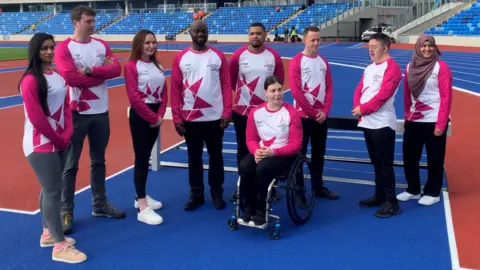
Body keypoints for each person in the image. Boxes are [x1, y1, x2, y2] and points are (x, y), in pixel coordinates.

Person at [54, 5, 125, 234]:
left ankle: (99, 204)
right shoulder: (64, 48)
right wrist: (97, 75)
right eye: (88, 21)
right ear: (76, 22)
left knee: (98, 160)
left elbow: (116, 70)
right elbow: (69, 78)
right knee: (70, 165)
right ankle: (66, 211)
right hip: (75, 113)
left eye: (93, 20)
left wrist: (89, 71)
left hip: (100, 112)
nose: (92, 24)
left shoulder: (101, 45)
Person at [19, 32, 87, 263]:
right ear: (35, 51)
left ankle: (48, 233)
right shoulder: (30, 80)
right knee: (53, 191)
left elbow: (67, 108)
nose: (48, 52)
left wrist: (67, 134)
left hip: (59, 139)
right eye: (43, 48)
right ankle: (59, 246)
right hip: (40, 143)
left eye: (51, 47)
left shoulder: (56, 76)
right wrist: (59, 139)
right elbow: (37, 119)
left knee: (49, 189)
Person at [170, 19, 232, 211]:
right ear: (190, 33)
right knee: (194, 159)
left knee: (216, 157)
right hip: (191, 119)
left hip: (214, 118)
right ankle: (196, 194)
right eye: (197, 31)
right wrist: (177, 118)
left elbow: (226, 85)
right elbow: (175, 89)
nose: (200, 34)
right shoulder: (181, 58)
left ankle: (216, 193)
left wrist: (227, 111)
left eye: (203, 31)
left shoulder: (218, 55)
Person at [228, 22, 284, 201]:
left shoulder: (273, 56)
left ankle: (268, 187)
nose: (255, 37)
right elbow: (230, 79)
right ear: (248, 35)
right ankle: (244, 186)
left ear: (265, 35)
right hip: (243, 112)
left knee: (267, 150)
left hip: (267, 113)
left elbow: (278, 82)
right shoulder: (238, 55)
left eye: (259, 33)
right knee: (243, 150)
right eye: (252, 33)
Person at [238, 75, 303, 227]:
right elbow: (251, 139)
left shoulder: (291, 113)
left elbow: (296, 145)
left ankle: (261, 210)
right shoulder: (256, 113)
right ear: (265, 93)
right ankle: (249, 207)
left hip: (283, 154)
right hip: (261, 152)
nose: (277, 94)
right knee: (245, 166)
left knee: (263, 168)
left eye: (280, 90)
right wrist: (256, 152)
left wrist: (273, 153)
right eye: (273, 91)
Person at [397, 34, 452, 206]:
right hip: (414, 120)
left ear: (435, 48)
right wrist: (407, 115)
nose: (427, 49)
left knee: (434, 159)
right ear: (418, 47)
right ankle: (413, 189)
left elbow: (446, 97)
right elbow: (406, 94)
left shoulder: (441, 67)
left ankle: (433, 192)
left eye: (430, 46)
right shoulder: (408, 67)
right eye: (423, 46)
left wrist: (441, 123)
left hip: (434, 120)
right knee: (409, 157)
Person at [352, 32, 402, 218]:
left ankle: (392, 202)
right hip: (368, 122)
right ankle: (380, 195)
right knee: (376, 162)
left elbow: (384, 94)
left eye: (374, 47)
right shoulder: (369, 68)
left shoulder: (392, 68)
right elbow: (359, 89)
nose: (370, 50)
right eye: (369, 47)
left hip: (382, 123)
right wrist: (358, 106)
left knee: (385, 163)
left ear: (385, 48)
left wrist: (363, 109)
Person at [124, 30, 168, 225]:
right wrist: (151, 116)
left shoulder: (157, 65)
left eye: (153, 42)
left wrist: (159, 115)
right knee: (141, 159)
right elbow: (134, 96)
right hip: (141, 116)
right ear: (139, 45)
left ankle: (139, 196)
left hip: (155, 115)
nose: (151, 46)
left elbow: (164, 92)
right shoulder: (131, 66)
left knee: (147, 157)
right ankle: (142, 206)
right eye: (147, 43)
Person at [289, 26, 338, 200]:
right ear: (305, 40)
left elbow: (329, 88)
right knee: (299, 155)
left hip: (321, 119)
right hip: (303, 118)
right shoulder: (297, 61)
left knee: (319, 154)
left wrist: (325, 112)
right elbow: (296, 92)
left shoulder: (323, 62)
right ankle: (299, 190)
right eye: (313, 40)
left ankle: (318, 187)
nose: (316, 43)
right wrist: (312, 113)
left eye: (318, 39)